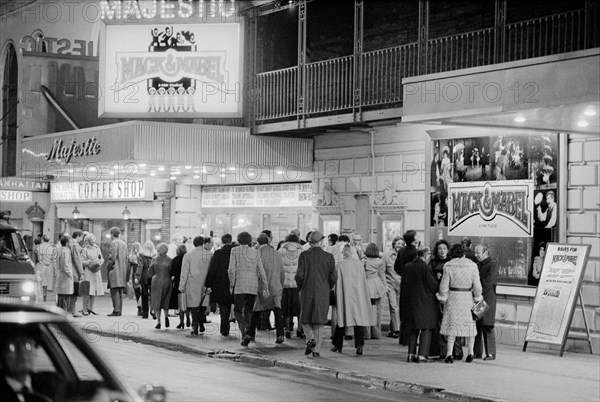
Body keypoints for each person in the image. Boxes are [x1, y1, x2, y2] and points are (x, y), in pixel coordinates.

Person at [436, 243, 483, 363]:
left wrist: (442, 297)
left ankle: (449, 355)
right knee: (470, 326)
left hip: (453, 298)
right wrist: (478, 297)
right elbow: (477, 286)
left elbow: (443, 285)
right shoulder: (472, 266)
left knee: (453, 326)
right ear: (464, 253)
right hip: (467, 297)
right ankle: (471, 353)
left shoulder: (448, 265)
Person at [295, 231, 337, 358]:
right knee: (319, 321)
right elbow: (334, 277)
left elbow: (299, 276)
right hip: (323, 291)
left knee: (305, 318)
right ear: (321, 242)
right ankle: (316, 350)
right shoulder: (329, 257)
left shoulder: (304, 255)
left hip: (306, 290)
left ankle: (310, 338)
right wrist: (327, 287)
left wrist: (301, 286)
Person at [330, 244, 372, 356]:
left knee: (342, 319)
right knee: (358, 321)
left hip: (345, 295)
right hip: (358, 295)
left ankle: (337, 344)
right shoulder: (359, 264)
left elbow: (335, 281)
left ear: (343, 253)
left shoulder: (340, 265)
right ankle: (359, 345)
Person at [229, 232, 269, 347]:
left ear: (238, 240)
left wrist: (232, 284)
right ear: (250, 240)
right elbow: (261, 270)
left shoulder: (234, 251)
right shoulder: (255, 252)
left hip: (239, 285)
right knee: (248, 310)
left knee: (237, 311)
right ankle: (248, 329)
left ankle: (244, 333)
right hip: (253, 286)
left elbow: (231, 270)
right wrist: (265, 285)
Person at [248, 233, 285, 344]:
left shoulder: (256, 254)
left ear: (258, 243)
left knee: (256, 310)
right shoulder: (277, 254)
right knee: (277, 310)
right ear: (269, 242)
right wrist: (280, 285)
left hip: (260, 286)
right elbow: (282, 272)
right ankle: (280, 334)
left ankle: (251, 334)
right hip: (276, 285)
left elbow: (254, 272)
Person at [403, 247, 438, 363]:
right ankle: (422, 355)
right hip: (425, 303)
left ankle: (410, 354)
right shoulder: (425, 268)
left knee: (413, 329)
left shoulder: (407, 266)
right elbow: (433, 286)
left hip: (411, 303)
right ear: (426, 255)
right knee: (426, 329)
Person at [0, 328, 52, 402]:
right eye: (12, 348)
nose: (22, 352)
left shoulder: (50, 384)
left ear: (36, 352)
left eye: (28, 346)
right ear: (2, 354)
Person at [180, 236, 212, 335]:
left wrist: (182, 286)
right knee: (203, 304)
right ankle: (201, 323)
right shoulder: (210, 254)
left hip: (192, 283)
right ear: (203, 243)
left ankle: (195, 327)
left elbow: (184, 272)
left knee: (194, 306)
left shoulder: (188, 255)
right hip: (206, 283)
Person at [206, 233, 235, 336]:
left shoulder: (218, 253)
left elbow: (212, 269)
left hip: (221, 283)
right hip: (235, 282)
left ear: (222, 242)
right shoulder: (236, 252)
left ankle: (224, 328)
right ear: (231, 240)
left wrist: (208, 284)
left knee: (223, 306)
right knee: (234, 303)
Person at [474, 243, 498, 361]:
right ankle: (477, 352)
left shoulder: (492, 265)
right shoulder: (477, 265)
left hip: (486, 299)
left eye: (478, 253)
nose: (475, 255)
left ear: (485, 252)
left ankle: (491, 353)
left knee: (487, 325)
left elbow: (487, 283)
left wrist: (476, 287)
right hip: (479, 298)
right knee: (477, 325)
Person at [394, 230, 419, 346]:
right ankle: (411, 338)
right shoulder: (415, 252)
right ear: (413, 239)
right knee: (412, 309)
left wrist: (403, 274)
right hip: (414, 283)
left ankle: (403, 338)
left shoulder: (402, 251)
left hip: (404, 281)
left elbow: (396, 267)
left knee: (404, 309)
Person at [279, 233, 304, 339]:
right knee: (299, 308)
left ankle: (288, 330)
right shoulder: (302, 251)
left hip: (284, 284)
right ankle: (300, 330)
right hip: (298, 285)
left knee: (286, 308)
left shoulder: (281, 251)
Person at [363, 243, 386, 340]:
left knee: (365, 310)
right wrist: (385, 286)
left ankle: (366, 333)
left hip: (366, 285)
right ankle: (376, 333)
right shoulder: (380, 261)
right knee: (376, 311)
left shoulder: (364, 261)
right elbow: (382, 274)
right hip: (377, 285)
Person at [150, 243, 173, 329]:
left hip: (156, 281)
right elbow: (171, 272)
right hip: (167, 281)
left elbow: (150, 271)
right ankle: (166, 317)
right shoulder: (170, 260)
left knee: (157, 301)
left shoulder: (154, 259)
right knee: (166, 300)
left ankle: (158, 322)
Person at [80, 234, 104, 316]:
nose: (93, 242)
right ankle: (84, 309)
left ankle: (91, 308)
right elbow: (82, 261)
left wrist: (99, 262)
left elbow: (102, 258)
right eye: (91, 241)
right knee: (87, 290)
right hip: (88, 271)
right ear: (88, 241)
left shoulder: (97, 248)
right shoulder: (85, 249)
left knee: (94, 290)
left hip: (96, 271)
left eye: (94, 240)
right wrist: (90, 262)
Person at [383, 237, 402, 338]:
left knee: (398, 308)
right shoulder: (386, 256)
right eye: (398, 243)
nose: (400, 245)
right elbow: (382, 271)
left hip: (402, 285)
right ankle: (397, 330)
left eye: (401, 244)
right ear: (394, 244)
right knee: (393, 307)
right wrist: (385, 285)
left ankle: (391, 329)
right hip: (390, 285)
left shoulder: (405, 256)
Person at [107, 227, 127, 317]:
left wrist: (108, 267)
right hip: (122, 269)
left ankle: (116, 310)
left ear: (112, 234)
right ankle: (119, 309)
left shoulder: (113, 243)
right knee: (120, 291)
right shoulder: (124, 243)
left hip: (115, 269)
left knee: (114, 290)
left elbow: (112, 257)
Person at [170, 244, 190, 330]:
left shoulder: (175, 260)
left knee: (180, 304)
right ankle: (188, 317)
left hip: (178, 283)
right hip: (188, 282)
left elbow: (172, 272)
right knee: (188, 303)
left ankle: (181, 322)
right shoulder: (188, 258)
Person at [136, 241, 156, 319]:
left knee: (144, 295)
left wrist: (137, 277)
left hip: (144, 277)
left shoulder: (141, 255)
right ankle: (153, 312)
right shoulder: (155, 255)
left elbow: (140, 266)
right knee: (153, 295)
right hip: (153, 276)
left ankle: (145, 313)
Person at [55, 236, 74, 313]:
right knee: (64, 296)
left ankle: (61, 312)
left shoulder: (63, 250)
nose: (71, 243)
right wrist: (69, 274)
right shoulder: (65, 252)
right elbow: (65, 265)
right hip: (65, 276)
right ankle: (63, 312)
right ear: (66, 243)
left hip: (63, 276)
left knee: (62, 295)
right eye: (70, 242)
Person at [68, 231, 84, 317]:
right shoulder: (75, 245)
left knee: (70, 291)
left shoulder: (69, 243)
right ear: (77, 236)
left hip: (69, 269)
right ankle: (72, 310)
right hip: (74, 271)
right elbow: (77, 260)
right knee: (74, 291)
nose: (82, 239)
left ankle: (69, 309)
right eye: (81, 237)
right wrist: (81, 272)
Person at [38, 235, 54, 302]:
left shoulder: (40, 247)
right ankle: (45, 298)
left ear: (42, 239)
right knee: (46, 283)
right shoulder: (51, 248)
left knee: (40, 282)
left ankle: (40, 297)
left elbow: (39, 258)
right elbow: (53, 258)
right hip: (49, 266)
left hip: (42, 266)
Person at [127, 242, 142, 314]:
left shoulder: (138, 255)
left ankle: (140, 307)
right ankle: (140, 307)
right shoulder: (132, 256)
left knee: (138, 291)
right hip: (137, 275)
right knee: (138, 291)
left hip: (137, 275)